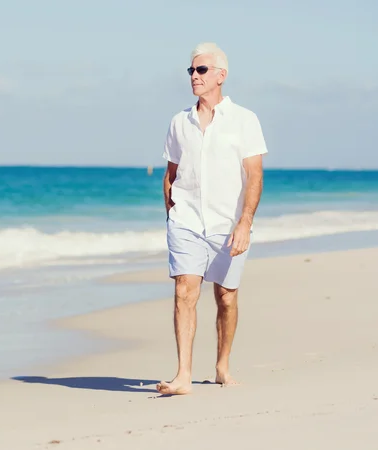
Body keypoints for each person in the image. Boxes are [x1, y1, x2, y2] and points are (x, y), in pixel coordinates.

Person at [158, 42, 268, 395]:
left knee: (226, 297)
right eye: (190, 70)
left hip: (227, 224)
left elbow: (254, 175)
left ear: (221, 75)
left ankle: (221, 365)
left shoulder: (245, 120)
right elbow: (170, 174)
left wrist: (245, 222)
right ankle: (183, 375)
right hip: (186, 220)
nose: (194, 76)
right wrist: (173, 216)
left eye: (201, 70)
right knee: (184, 290)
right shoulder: (179, 122)